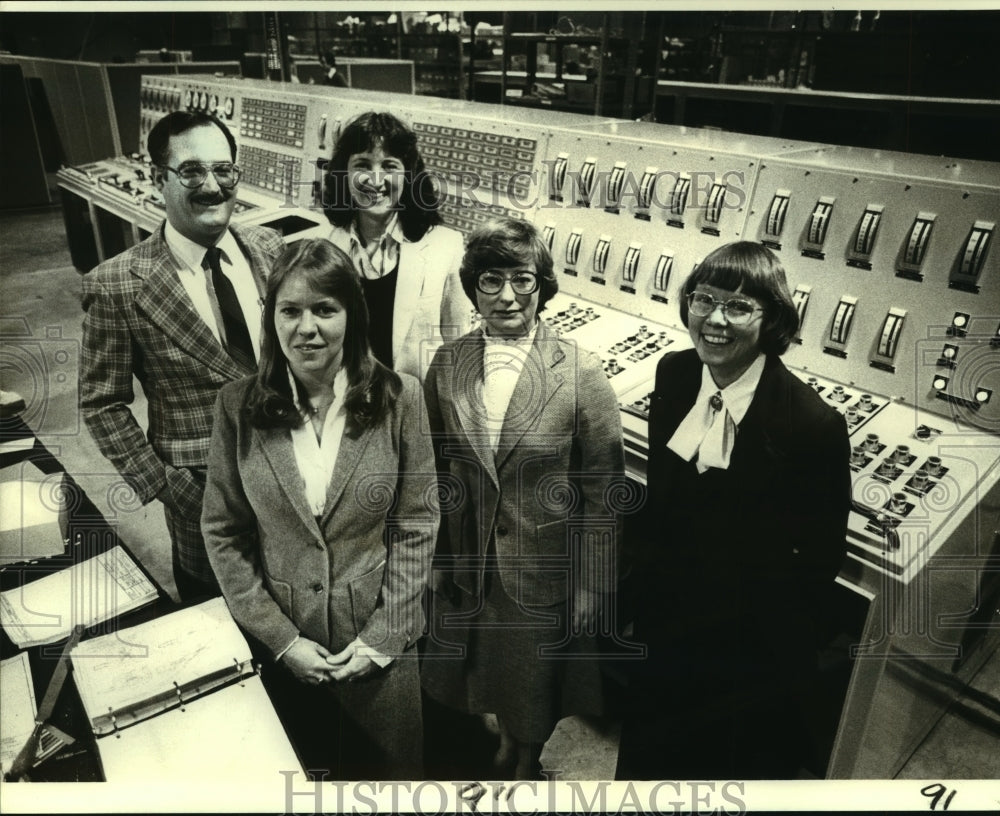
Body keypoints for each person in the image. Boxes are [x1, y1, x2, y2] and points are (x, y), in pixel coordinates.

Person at [201, 238, 438, 780]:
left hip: (379, 650)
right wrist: (283, 642)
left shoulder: (402, 398)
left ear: (352, 316)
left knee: (388, 782)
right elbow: (223, 531)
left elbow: (417, 524)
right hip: (284, 647)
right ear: (271, 318)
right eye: (290, 310)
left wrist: (382, 637)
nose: (306, 328)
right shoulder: (236, 407)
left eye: (325, 309)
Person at [616, 241, 851, 780]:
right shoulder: (674, 374)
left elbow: (819, 563)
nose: (715, 320)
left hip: (747, 656)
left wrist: (770, 660)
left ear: (772, 320)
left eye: (739, 307)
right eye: (704, 300)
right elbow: (660, 500)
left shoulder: (812, 426)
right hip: (666, 629)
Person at [421, 217, 626, 780]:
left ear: (543, 285)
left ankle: (526, 761)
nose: (507, 295)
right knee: (488, 670)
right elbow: (437, 470)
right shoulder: (449, 363)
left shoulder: (581, 370)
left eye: (522, 279)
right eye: (490, 280)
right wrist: (437, 557)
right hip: (470, 560)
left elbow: (604, 491)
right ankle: (507, 744)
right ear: (472, 288)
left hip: (542, 564)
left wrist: (592, 583)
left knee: (533, 682)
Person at [80, 110, 285, 602]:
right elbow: (101, 403)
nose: (212, 186)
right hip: (203, 504)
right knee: (221, 629)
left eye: (224, 170)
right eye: (192, 171)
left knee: (297, 612)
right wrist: (167, 486)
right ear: (158, 179)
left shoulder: (270, 248)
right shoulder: (117, 284)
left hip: (293, 489)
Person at [322, 111, 469, 381]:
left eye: (389, 166)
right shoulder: (329, 244)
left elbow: (456, 349)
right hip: (350, 402)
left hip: (417, 407)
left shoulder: (446, 247)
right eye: (362, 165)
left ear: (408, 176)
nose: (376, 181)